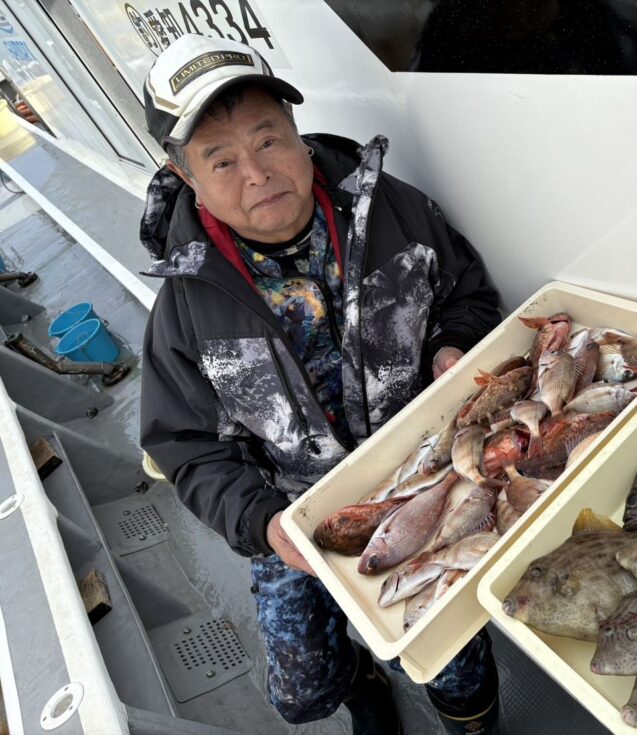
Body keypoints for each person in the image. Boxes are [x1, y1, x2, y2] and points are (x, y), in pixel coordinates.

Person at [138, 34, 502, 735]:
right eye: (222, 159)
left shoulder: (395, 211)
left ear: (295, 130)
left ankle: (475, 724)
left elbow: (467, 296)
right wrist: (263, 522)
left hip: (427, 473)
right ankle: (357, 684)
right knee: (300, 689)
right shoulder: (184, 308)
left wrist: (455, 345)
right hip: (294, 509)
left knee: (450, 654)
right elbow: (188, 449)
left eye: (268, 139)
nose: (257, 172)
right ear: (186, 176)